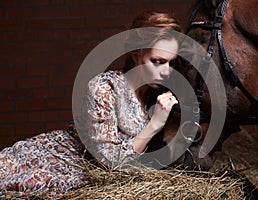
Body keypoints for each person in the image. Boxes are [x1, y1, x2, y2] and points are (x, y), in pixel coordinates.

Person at [0, 10, 183, 196]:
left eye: (172, 63)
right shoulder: (103, 88)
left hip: (94, 173)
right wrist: (155, 124)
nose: (166, 72)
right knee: (30, 182)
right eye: (157, 61)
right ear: (136, 54)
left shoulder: (160, 95)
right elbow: (111, 162)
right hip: (64, 158)